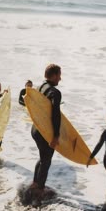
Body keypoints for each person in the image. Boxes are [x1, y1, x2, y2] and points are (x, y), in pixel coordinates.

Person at [30, 64, 61, 196]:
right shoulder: (55, 92)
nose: (60, 78)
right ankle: (39, 190)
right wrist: (55, 136)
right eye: (59, 75)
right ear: (53, 76)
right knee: (46, 160)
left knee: (43, 157)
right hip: (45, 133)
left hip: (35, 129)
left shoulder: (40, 87)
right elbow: (55, 115)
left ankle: (35, 183)